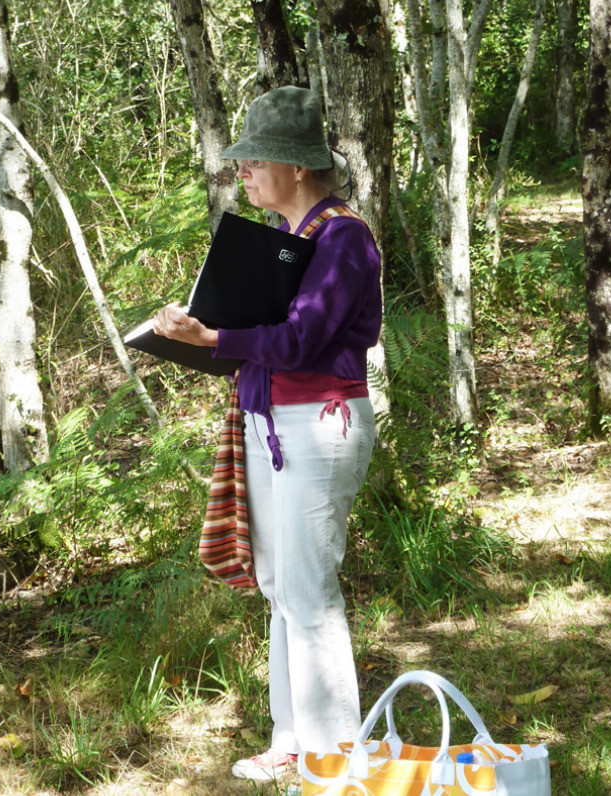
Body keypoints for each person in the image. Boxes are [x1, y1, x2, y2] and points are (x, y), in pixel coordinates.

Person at [153, 85, 382, 782]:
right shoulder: (285, 240)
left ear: (298, 168)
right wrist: (194, 336)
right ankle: (293, 742)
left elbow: (304, 338)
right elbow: (261, 340)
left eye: (255, 161)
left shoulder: (342, 236)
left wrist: (217, 334)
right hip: (272, 425)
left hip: (319, 424)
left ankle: (336, 755)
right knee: (281, 585)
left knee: (310, 591)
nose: (243, 172)